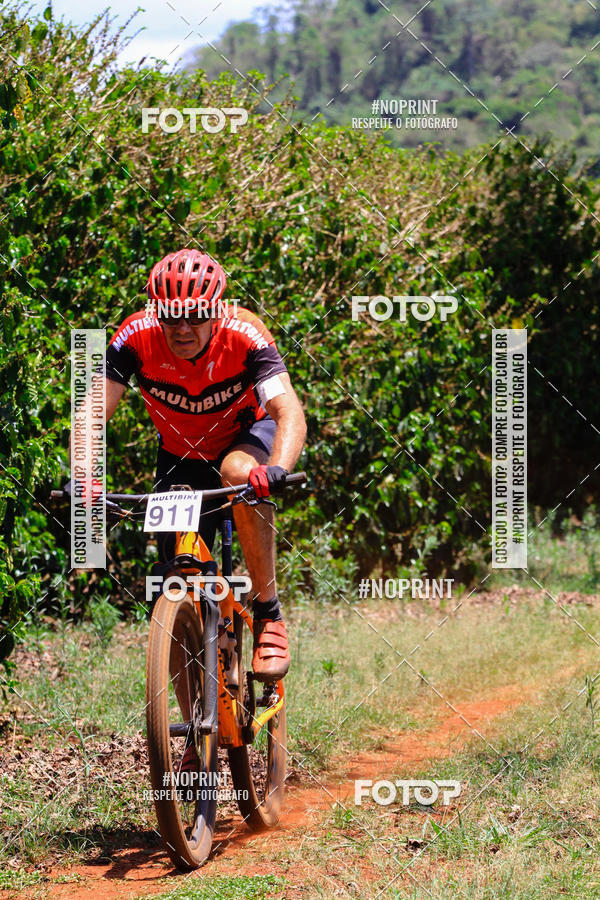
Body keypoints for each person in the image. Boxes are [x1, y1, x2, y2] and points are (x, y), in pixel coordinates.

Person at [99, 248, 306, 681]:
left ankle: (268, 613)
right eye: (171, 317)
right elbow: (90, 414)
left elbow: (290, 412)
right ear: (156, 312)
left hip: (246, 439)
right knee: (173, 589)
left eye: (195, 315)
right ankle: (194, 738)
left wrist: (278, 469)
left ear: (215, 310)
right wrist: (84, 481)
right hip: (181, 456)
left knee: (236, 472)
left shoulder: (245, 332)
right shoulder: (135, 336)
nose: (183, 328)